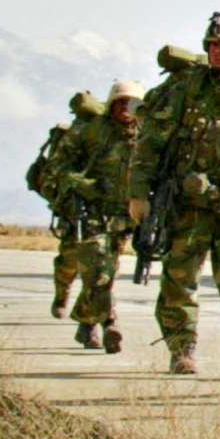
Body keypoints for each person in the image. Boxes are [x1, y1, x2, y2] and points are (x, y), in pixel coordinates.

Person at [129, 14, 220, 375]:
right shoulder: (185, 90)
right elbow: (149, 144)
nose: (216, 51)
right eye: (211, 45)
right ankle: (181, 348)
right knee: (180, 277)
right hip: (187, 202)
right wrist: (138, 193)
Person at [57, 80, 143, 354]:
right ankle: (109, 323)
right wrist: (83, 184)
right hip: (93, 212)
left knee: (105, 272)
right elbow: (59, 166)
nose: (125, 109)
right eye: (120, 103)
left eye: (131, 104)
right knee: (98, 269)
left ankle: (86, 321)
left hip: (127, 217)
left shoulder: (147, 135)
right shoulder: (91, 132)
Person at [31, 90, 104, 318]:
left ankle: (88, 320)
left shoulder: (116, 135)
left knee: (100, 269)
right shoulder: (73, 137)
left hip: (106, 209)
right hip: (75, 207)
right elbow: (54, 172)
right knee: (69, 260)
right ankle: (62, 294)